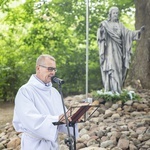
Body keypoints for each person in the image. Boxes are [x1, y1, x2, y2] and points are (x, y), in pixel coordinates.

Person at [13, 54, 78, 150]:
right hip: (34, 145)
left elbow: (63, 116)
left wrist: (73, 117)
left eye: (54, 69)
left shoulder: (54, 92)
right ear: (38, 68)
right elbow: (30, 120)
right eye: (50, 69)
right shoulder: (25, 91)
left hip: (53, 144)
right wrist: (56, 118)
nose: (53, 73)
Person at [97, 6, 145, 93]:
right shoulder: (105, 24)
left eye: (116, 13)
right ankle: (110, 89)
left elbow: (128, 34)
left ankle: (118, 89)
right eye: (114, 13)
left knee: (118, 68)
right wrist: (101, 31)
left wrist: (138, 32)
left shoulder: (120, 25)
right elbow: (101, 37)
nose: (115, 15)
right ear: (110, 14)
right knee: (111, 68)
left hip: (119, 51)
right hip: (109, 50)